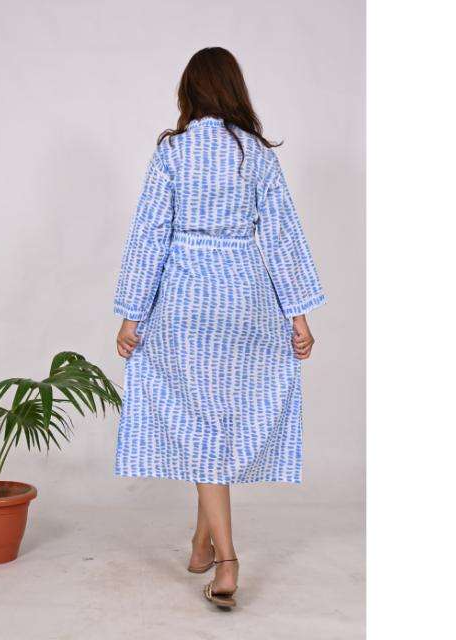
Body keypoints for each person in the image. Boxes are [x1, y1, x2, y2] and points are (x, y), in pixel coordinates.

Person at [113, 47, 326, 609]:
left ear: (189, 91)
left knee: (199, 421)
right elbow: (282, 235)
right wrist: (298, 315)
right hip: (245, 299)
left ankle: (227, 560)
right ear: (235, 90)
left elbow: (149, 235)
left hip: (185, 301)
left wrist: (132, 315)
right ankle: (201, 542)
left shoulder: (173, 152)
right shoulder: (255, 154)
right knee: (217, 419)